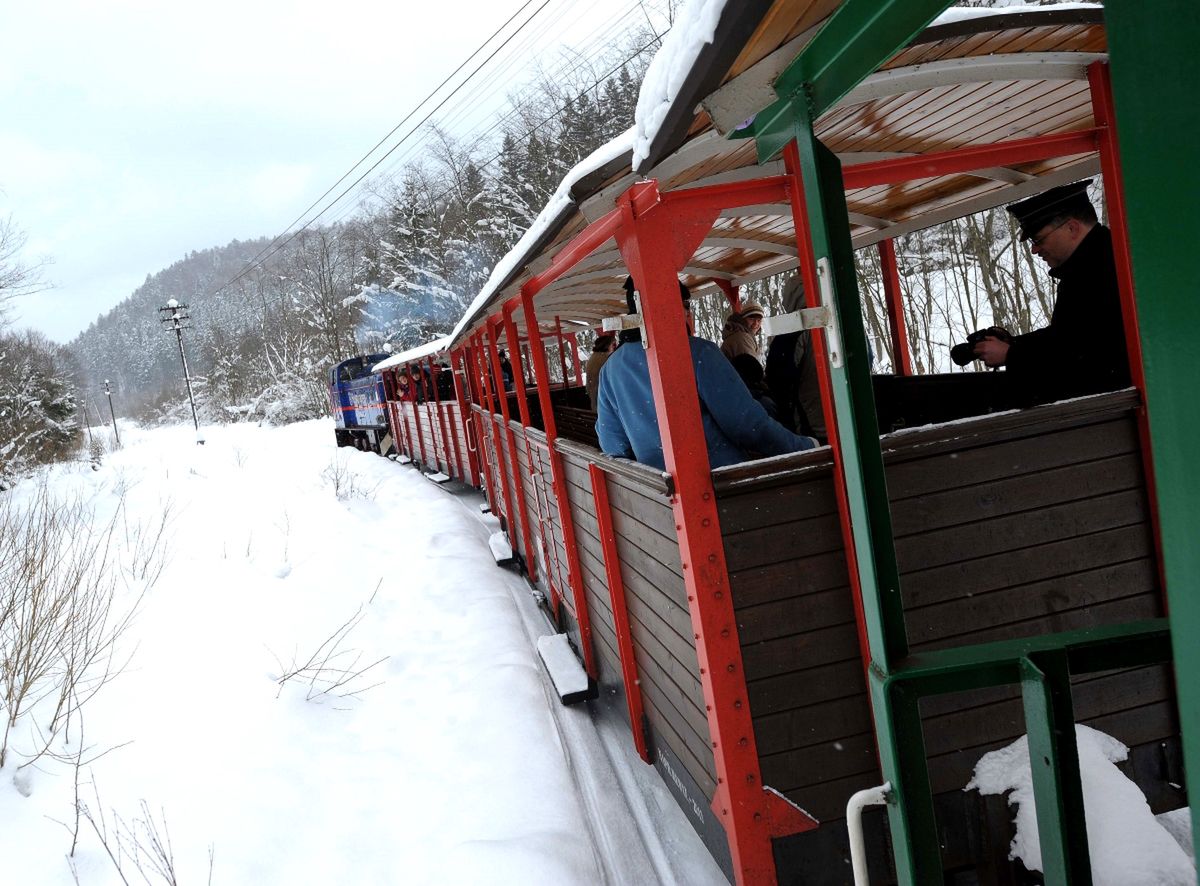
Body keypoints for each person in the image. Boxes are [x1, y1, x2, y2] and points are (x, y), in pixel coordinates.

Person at [595, 277, 817, 470]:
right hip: (721, 483)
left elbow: (613, 444)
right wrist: (804, 447)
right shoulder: (697, 352)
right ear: (673, 305)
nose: (687, 313)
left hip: (660, 493)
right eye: (685, 305)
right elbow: (747, 424)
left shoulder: (610, 370)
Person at [972, 179, 1130, 405]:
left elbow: (1087, 353)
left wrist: (1011, 355)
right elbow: (1068, 335)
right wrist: (1014, 344)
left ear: (1072, 228)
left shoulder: (1103, 269)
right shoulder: (1091, 264)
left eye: (1039, 239)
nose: (1035, 249)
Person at [765, 275, 826, 442]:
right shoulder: (837, 323)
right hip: (848, 416)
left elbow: (778, 380)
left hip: (810, 423)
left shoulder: (791, 333)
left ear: (789, 298)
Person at [585, 333, 617, 409]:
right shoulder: (606, 360)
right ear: (607, 346)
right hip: (606, 401)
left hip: (596, 399)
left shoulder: (593, 358)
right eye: (613, 345)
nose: (615, 347)